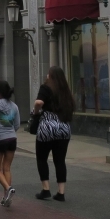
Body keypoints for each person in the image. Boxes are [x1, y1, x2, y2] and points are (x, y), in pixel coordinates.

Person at [33, 65, 73, 202]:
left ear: (51, 76)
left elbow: (39, 102)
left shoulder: (46, 87)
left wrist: (36, 112)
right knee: (60, 160)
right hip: (64, 127)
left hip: (48, 126)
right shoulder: (65, 90)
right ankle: (61, 193)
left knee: (42, 158)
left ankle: (46, 189)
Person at [0, 80, 20, 207]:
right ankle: (7, 197)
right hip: (12, 139)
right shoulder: (14, 106)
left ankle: (8, 189)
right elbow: (17, 125)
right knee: (6, 168)